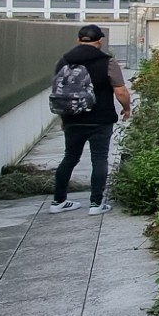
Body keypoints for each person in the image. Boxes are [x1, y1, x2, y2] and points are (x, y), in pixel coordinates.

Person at [50, 24, 132, 214]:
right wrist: (126, 108)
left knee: (70, 157)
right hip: (100, 119)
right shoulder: (107, 62)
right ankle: (96, 204)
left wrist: (63, 118)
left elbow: (59, 92)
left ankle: (58, 201)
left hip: (72, 118)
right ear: (100, 41)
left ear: (78, 40)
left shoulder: (64, 61)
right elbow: (120, 91)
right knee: (99, 159)